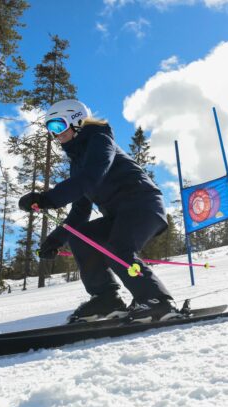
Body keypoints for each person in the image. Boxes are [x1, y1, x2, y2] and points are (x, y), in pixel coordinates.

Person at [18, 99, 181, 323]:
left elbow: (91, 179)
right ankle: (107, 299)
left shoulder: (100, 139)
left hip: (143, 205)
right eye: (50, 130)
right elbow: (80, 212)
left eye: (57, 126)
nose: (55, 134)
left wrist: (47, 198)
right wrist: (55, 240)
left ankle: (156, 300)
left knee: (118, 248)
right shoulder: (78, 162)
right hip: (119, 215)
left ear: (75, 120)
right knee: (82, 237)